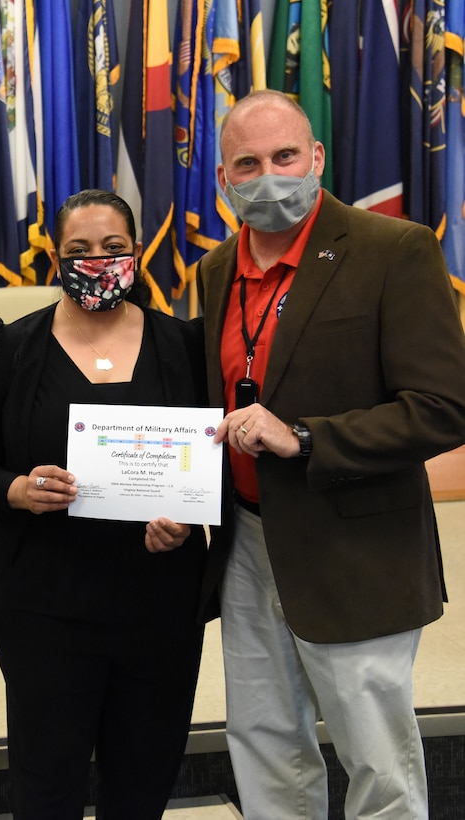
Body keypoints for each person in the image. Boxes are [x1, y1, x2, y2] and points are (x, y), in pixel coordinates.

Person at [198, 89, 465, 819]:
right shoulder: (216, 270)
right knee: (263, 740)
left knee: (376, 756)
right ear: (223, 180)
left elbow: (444, 407)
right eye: (246, 164)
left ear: (316, 159)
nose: (268, 176)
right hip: (249, 544)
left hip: (355, 544)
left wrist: (306, 436)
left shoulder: (393, 250)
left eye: (284, 157)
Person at [0, 189, 222, 819]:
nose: (98, 260)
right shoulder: (8, 348)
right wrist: (14, 489)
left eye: (114, 248)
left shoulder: (184, 344)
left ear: (137, 250)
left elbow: (216, 456)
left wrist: (190, 515)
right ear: (54, 254)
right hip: (44, 602)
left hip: (161, 601)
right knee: (48, 778)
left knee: (145, 772)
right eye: (80, 250)